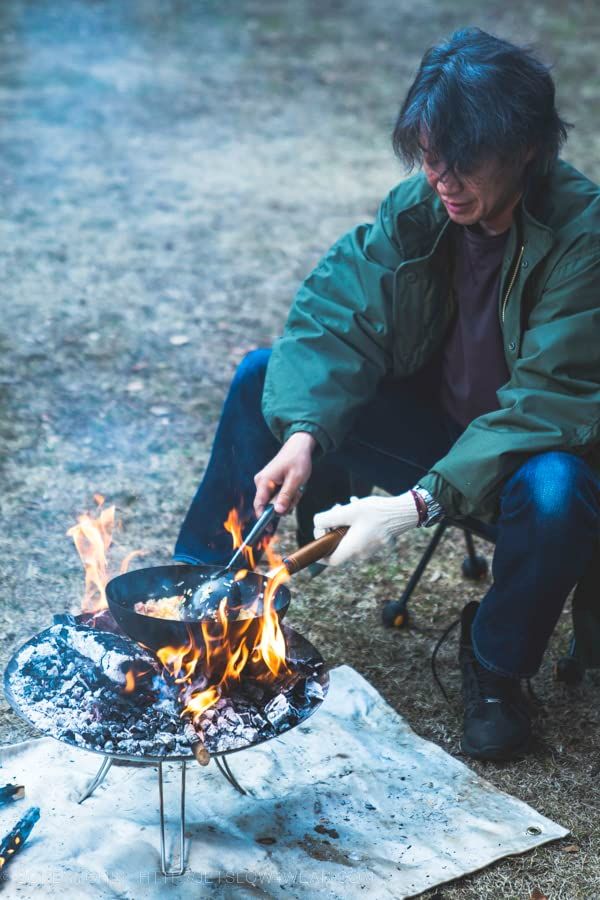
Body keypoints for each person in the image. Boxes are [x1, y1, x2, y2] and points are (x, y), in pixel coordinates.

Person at [175, 28, 600, 761]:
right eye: (430, 155)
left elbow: (549, 403)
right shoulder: (423, 209)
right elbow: (337, 316)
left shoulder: (583, 236)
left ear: (527, 146)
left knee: (559, 488)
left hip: (532, 463)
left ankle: (496, 669)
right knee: (261, 379)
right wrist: (305, 432)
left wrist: (413, 505)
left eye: (463, 159)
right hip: (436, 437)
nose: (443, 178)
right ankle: (206, 606)